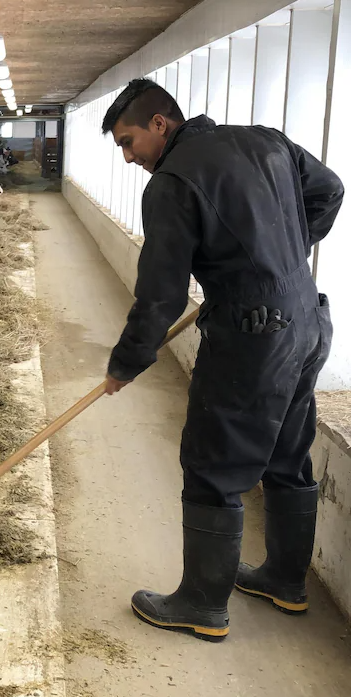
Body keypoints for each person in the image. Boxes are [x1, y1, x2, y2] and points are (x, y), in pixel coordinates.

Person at [100, 78, 344, 642]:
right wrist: (279, 260)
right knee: (288, 454)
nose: (130, 156)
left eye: (129, 141)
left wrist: (126, 362)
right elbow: (330, 189)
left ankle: (201, 604)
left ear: (160, 123)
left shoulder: (170, 184)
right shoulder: (266, 141)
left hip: (251, 337)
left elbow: (159, 293)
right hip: (308, 319)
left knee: (212, 464)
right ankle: (285, 581)